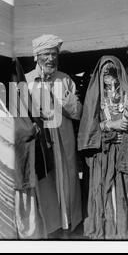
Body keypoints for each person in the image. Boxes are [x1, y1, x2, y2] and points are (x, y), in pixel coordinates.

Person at [78, 55, 128, 239]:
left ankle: (123, 231)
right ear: (99, 76)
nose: (109, 78)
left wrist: (127, 125)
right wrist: (111, 125)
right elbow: (90, 125)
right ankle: (106, 231)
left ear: (119, 74)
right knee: (105, 191)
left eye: (113, 73)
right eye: (105, 74)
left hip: (124, 152)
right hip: (104, 155)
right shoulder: (95, 96)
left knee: (124, 193)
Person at [25, 34, 83, 237]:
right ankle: (50, 226)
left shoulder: (65, 80)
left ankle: (69, 225)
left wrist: (63, 100)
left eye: (53, 54)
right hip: (42, 143)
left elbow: (78, 113)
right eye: (46, 54)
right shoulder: (27, 81)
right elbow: (22, 115)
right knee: (46, 182)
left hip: (64, 141)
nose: (50, 59)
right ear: (36, 56)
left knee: (67, 180)